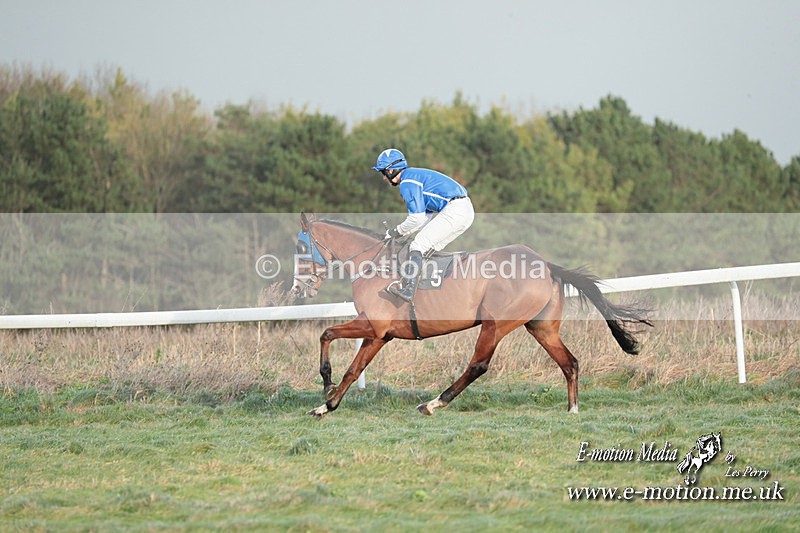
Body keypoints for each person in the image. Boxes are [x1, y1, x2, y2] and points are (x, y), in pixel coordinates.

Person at [372, 148, 475, 302]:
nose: (383, 178)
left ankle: (409, 291)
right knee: (426, 249)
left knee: (418, 246)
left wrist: (395, 232)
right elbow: (425, 217)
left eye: (383, 173)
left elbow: (417, 219)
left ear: (391, 170)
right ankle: (431, 289)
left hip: (456, 209)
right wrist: (405, 234)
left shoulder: (407, 183)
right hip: (465, 209)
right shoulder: (413, 176)